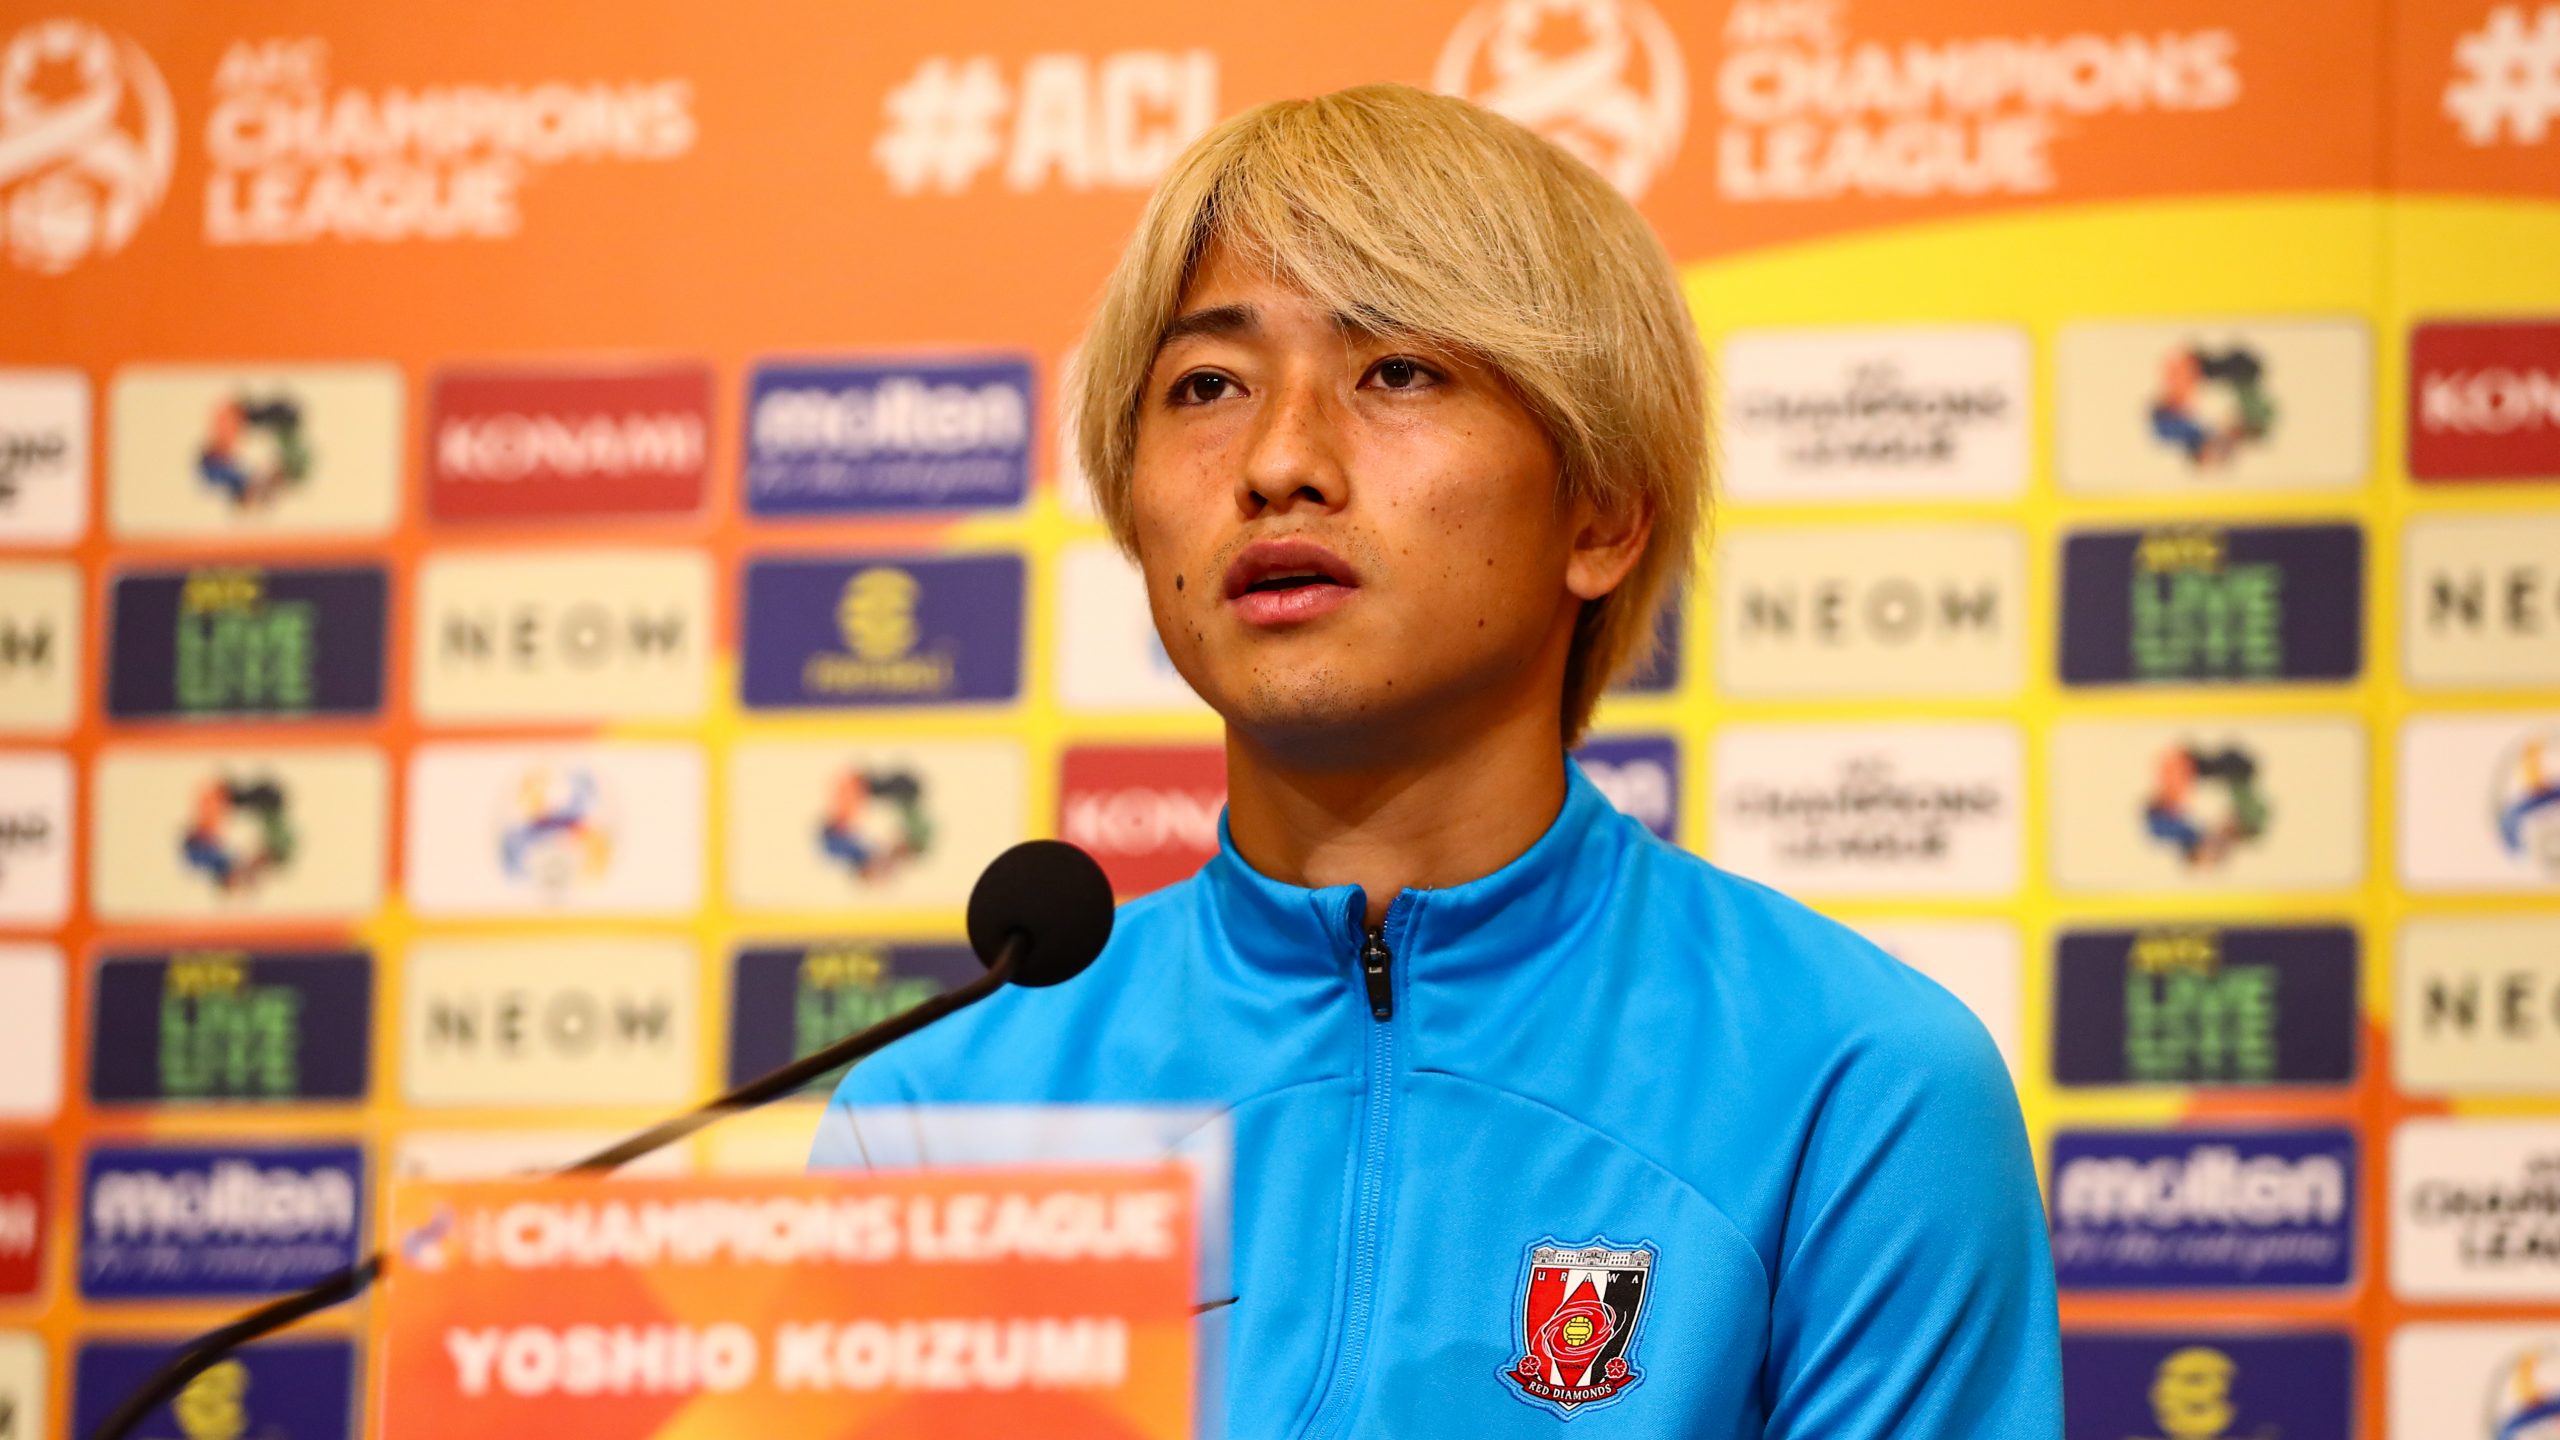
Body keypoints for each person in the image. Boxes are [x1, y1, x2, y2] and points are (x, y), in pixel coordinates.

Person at [813, 82, 2060, 1437]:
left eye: (1397, 370)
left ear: (1603, 514)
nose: (1280, 462)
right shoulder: (943, 1113)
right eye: (1207, 385)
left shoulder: (1856, 1082)